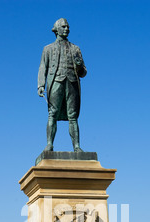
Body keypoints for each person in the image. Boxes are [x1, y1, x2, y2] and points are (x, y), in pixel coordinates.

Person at [38, 18, 87, 152]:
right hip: (55, 82)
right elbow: (43, 66)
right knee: (52, 113)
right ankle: (49, 144)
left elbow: (83, 72)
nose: (67, 29)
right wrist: (41, 84)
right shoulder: (47, 49)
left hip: (72, 83)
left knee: (73, 116)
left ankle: (76, 147)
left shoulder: (75, 48)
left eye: (68, 27)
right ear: (56, 29)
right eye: (64, 27)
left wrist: (78, 66)